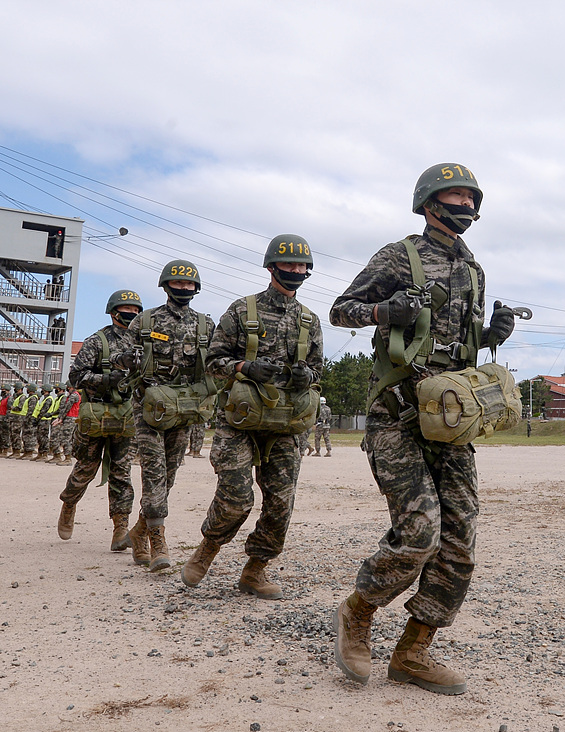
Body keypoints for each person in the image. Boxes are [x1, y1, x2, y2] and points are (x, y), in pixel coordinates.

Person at [329, 163, 516, 695]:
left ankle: (413, 652)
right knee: (419, 533)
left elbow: (458, 344)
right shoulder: (399, 255)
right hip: (397, 417)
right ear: (430, 202)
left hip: (450, 422)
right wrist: (384, 310)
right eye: (455, 195)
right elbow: (342, 310)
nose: (466, 205)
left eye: (471, 197)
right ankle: (358, 612)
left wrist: (490, 334)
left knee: (460, 543)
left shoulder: (474, 270)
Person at [181, 236, 323, 598]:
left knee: (280, 504)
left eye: (301, 266)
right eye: (289, 265)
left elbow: (319, 370)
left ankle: (255, 570)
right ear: (272, 267)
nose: (296, 271)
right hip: (240, 420)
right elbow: (212, 362)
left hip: (287, 424)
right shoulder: (242, 311)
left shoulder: (309, 319)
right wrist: (245, 366)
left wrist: (309, 376)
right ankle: (208, 548)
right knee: (236, 498)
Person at [114, 260, 215, 572]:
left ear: (196, 289)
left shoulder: (204, 325)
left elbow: (217, 361)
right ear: (166, 285)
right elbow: (119, 359)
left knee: (168, 474)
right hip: (149, 408)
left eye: (189, 285)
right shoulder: (144, 322)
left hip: (183, 410)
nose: (183, 289)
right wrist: (128, 359)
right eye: (178, 284)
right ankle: (157, 540)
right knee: (154, 471)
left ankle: (139, 531)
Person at [57, 289, 142, 549]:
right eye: (127, 310)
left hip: (126, 416)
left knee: (122, 474)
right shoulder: (97, 341)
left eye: (137, 311)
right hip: (96, 413)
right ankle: (69, 504)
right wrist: (106, 379)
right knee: (85, 469)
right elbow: (76, 377)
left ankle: (120, 528)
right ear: (114, 312)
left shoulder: (142, 342)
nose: (132, 315)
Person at [50, 382, 80, 465]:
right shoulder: (71, 395)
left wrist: (60, 418)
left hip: (70, 419)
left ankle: (68, 459)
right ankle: (66, 457)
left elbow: (67, 407)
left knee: (66, 439)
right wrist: (60, 418)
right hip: (68, 418)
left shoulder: (74, 395)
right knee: (65, 438)